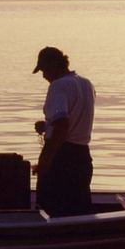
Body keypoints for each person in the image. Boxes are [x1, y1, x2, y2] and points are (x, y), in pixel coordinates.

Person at [32, 46, 94, 217]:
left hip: (62, 158)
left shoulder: (58, 86)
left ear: (54, 64)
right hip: (82, 156)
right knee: (79, 210)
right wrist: (46, 126)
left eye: (44, 70)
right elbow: (74, 121)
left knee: (51, 210)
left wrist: (46, 161)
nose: (44, 75)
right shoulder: (86, 83)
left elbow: (61, 125)